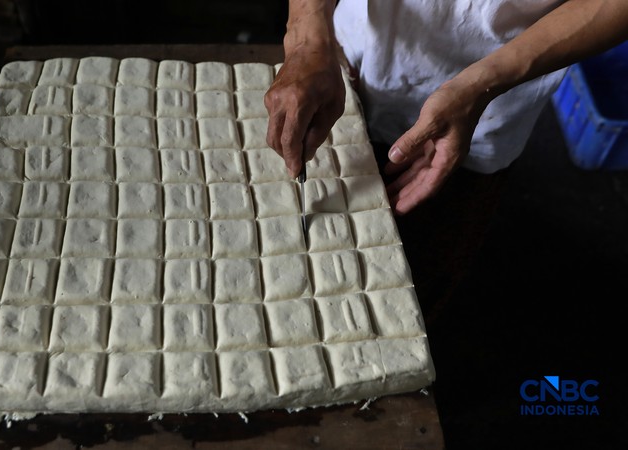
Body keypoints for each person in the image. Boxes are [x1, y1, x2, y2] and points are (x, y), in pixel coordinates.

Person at [264, 0, 628, 322]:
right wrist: (308, 37)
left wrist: (481, 84)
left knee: (413, 286)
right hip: (346, 53)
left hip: (489, 94)